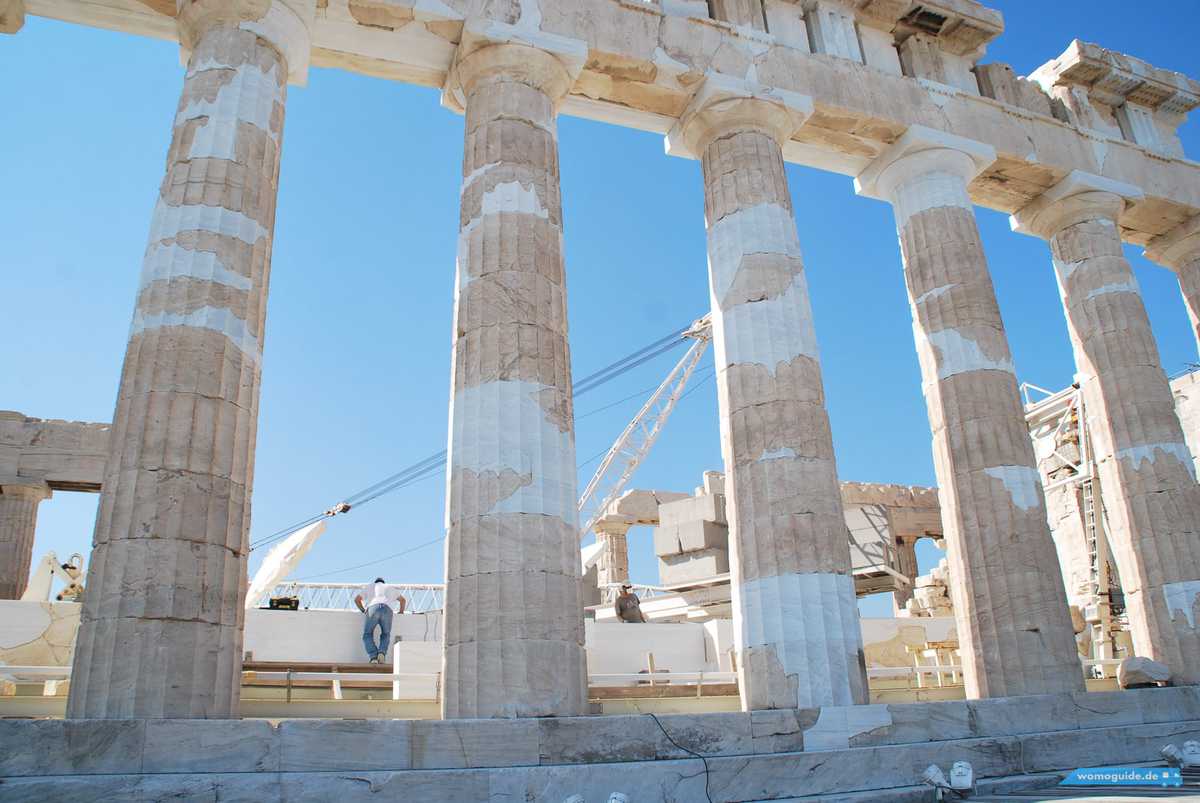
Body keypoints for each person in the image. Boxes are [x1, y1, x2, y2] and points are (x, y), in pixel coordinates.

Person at [354, 577, 406, 664]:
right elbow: (403, 600)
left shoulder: (370, 586)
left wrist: (363, 610)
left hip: (372, 608)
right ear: (383, 582)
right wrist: (401, 612)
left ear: (375, 582)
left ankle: (373, 657)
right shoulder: (390, 587)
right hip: (387, 609)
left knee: (367, 634)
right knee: (386, 634)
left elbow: (357, 600)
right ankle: (382, 653)